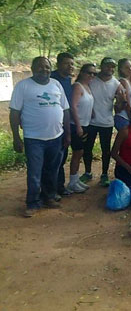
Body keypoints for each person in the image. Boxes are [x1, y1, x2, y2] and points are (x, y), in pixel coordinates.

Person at [9, 57, 70, 217]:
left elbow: (65, 110)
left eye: (47, 67)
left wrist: (67, 134)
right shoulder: (23, 86)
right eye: (40, 67)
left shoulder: (56, 85)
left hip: (56, 136)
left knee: (52, 170)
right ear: (32, 68)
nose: (44, 70)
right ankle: (32, 202)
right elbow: (14, 112)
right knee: (35, 172)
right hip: (34, 138)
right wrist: (16, 137)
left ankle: (48, 197)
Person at [82, 57, 124, 187]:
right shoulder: (92, 80)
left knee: (106, 150)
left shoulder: (116, 84)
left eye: (112, 67)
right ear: (101, 66)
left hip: (107, 122)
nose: (110, 69)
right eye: (107, 66)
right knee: (87, 148)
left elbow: (118, 108)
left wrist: (121, 101)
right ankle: (88, 172)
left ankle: (104, 174)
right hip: (91, 121)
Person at [67, 63, 96, 193]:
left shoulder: (87, 87)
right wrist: (78, 125)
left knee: (81, 152)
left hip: (86, 124)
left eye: (94, 73)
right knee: (77, 153)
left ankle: (75, 179)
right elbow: (73, 106)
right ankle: (72, 182)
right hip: (76, 125)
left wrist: (92, 113)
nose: (91, 75)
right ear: (82, 73)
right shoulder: (78, 86)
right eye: (89, 73)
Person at [50, 52, 75, 197]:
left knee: (61, 157)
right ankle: (50, 190)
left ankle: (59, 187)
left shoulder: (68, 80)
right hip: (51, 127)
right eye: (67, 63)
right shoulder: (51, 79)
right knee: (53, 159)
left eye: (72, 63)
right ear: (58, 64)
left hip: (65, 124)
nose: (70, 66)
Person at [114, 58, 131, 131]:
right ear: (121, 69)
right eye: (126, 67)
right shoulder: (123, 81)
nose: (129, 69)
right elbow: (127, 102)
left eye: (130, 66)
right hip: (123, 117)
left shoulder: (128, 81)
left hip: (126, 116)